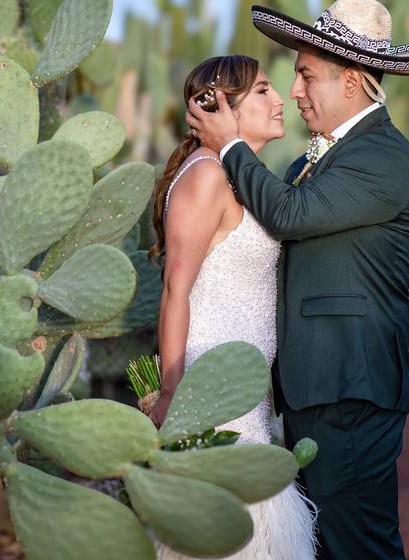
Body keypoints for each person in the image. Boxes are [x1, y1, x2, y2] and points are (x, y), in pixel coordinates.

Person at [187, 0, 409, 559]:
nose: (294, 91)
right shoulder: (315, 159)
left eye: (305, 75)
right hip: (316, 387)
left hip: (350, 385)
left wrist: (228, 144)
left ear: (351, 82)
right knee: (321, 544)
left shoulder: (384, 158)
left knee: (359, 546)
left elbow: (289, 215)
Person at [150, 54, 317, 560]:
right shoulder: (206, 176)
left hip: (244, 393)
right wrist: (171, 396)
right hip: (210, 385)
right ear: (221, 107)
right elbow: (175, 289)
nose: (280, 98)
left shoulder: (236, 172)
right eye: (263, 90)